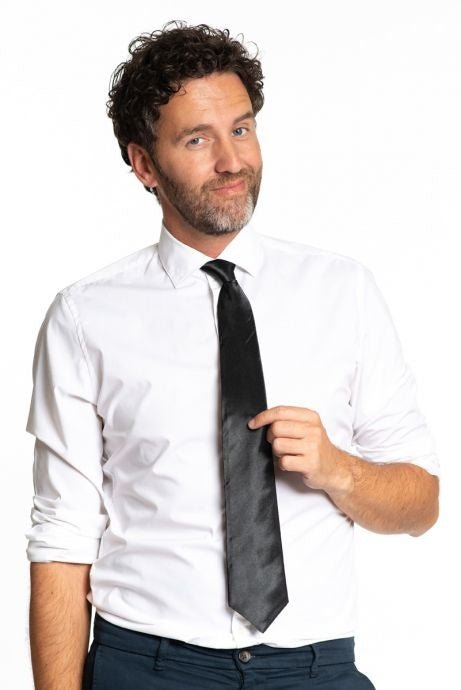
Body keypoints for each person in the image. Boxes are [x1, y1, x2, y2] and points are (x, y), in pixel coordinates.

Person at [25, 20, 440, 690]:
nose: (231, 161)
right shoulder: (84, 317)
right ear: (143, 164)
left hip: (313, 669)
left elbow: (421, 504)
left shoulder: (344, 291)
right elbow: (61, 537)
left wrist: (337, 469)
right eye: (197, 139)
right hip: (148, 666)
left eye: (241, 129)